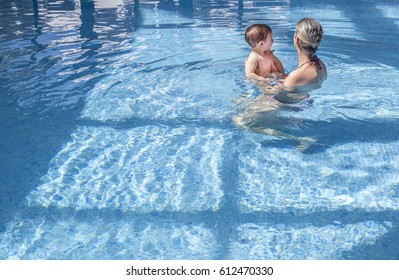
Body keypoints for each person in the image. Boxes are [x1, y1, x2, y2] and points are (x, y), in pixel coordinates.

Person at [235, 18, 327, 151]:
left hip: (285, 104)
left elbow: (275, 94)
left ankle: (299, 139)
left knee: (240, 121)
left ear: (296, 40)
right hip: (302, 102)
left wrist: (263, 82)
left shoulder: (296, 76)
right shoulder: (321, 66)